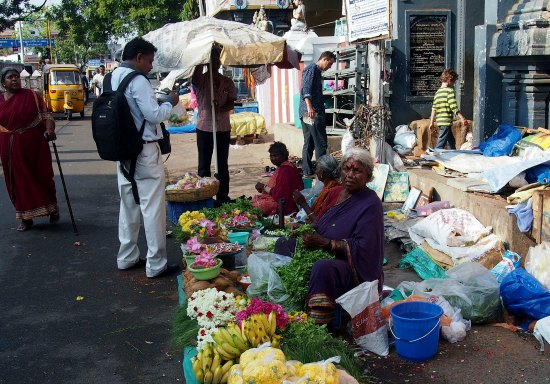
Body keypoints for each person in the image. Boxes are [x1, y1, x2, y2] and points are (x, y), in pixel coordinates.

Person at [278, 148, 384, 325]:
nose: (350, 175)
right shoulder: (335, 193)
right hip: (322, 247)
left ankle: (319, 325)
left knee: (322, 267)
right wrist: (304, 229)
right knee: (284, 243)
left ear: (367, 175)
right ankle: (285, 302)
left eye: (357, 171)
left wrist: (327, 244)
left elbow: (366, 248)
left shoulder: (371, 203)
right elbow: (321, 222)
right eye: (346, 169)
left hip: (352, 266)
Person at [111, 37, 179, 278]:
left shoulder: (113, 76)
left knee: (128, 204)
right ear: (138, 57)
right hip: (144, 150)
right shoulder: (138, 80)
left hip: (122, 150)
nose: (151, 66)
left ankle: (127, 257)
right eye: (149, 61)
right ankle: (156, 264)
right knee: (152, 207)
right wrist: (170, 103)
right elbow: (153, 115)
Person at [0, 67, 59, 231]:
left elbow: (46, 116)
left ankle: (52, 208)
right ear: (3, 82)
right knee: (16, 181)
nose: (14, 80)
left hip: (34, 145)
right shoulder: (0, 101)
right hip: (9, 145)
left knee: (42, 177)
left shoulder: (32, 96)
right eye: (10, 77)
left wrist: (49, 130)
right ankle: (26, 218)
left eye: (16, 77)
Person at [192, 48, 237, 205]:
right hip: (205, 127)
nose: (215, 61)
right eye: (212, 58)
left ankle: (223, 196)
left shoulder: (227, 81)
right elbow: (195, 74)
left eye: (217, 58)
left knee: (222, 164)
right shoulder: (201, 79)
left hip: (223, 127)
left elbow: (232, 101)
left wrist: (221, 107)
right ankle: (204, 197)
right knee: (204, 165)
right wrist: (203, 56)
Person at [299, 51, 336, 177]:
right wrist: (310, 107)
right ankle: (323, 172)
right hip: (312, 112)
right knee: (320, 143)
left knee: (309, 142)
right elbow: (306, 89)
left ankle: (307, 171)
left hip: (308, 112)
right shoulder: (312, 69)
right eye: (330, 64)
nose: (329, 67)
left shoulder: (316, 71)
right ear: (324, 59)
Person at [252, 142, 304, 216]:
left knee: (256, 205)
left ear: (284, 155)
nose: (273, 158)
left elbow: (280, 195)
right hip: (285, 200)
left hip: (286, 204)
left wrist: (264, 187)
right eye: (271, 156)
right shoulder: (285, 166)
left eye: (276, 156)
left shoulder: (285, 170)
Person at [292, 154, 341, 223]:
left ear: (322, 173)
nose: (315, 172)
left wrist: (303, 204)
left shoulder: (332, 191)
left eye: (317, 168)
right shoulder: (328, 187)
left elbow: (320, 222)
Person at [429, 68, 469, 149]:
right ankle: (435, 155)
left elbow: (434, 108)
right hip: (446, 121)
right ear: (450, 80)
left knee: (451, 140)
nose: (453, 84)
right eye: (454, 82)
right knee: (441, 142)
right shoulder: (449, 91)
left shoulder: (438, 92)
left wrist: (431, 122)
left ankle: (453, 152)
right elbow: (453, 106)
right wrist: (462, 118)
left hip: (440, 121)